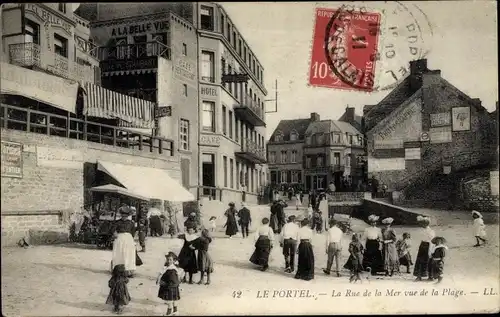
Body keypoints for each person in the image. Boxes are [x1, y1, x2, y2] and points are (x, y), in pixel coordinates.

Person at [111, 207, 138, 277]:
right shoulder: (117, 222)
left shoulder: (131, 223)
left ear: (128, 216)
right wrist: (115, 233)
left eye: (125, 216)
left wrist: (132, 239)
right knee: (119, 254)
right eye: (123, 216)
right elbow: (112, 230)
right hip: (119, 239)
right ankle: (118, 270)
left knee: (128, 254)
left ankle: (129, 271)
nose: (124, 217)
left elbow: (133, 232)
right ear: (121, 215)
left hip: (128, 239)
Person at [157, 252, 184, 316]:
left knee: (169, 299)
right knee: (174, 298)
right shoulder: (167, 267)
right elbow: (161, 272)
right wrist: (158, 279)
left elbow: (181, 273)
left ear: (174, 260)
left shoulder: (173, 269)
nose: (168, 261)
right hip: (171, 285)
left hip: (170, 286)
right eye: (167, 259)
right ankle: (175, 310)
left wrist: (179, 279)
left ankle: (169, 312)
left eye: (170, 260)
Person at [413, 216, 435, 281]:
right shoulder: (423, 230)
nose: (421, 225)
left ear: (425, 224)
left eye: (422, 224)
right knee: (419, 261)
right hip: (422, 246)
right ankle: (419, 276)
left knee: (428, 261)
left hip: (428, 246)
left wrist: (430, 250)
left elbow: (432, 241)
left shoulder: (431, 231)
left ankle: (430, 276)